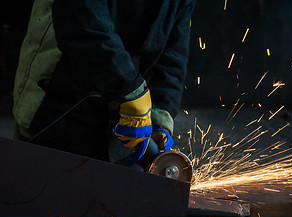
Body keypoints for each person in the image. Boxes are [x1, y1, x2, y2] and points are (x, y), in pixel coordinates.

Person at [13, 0, 196, 170]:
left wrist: (161, 108)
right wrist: (125, 87)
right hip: (62, 91)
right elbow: (82, 17)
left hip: (127, 97)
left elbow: (175, 42)